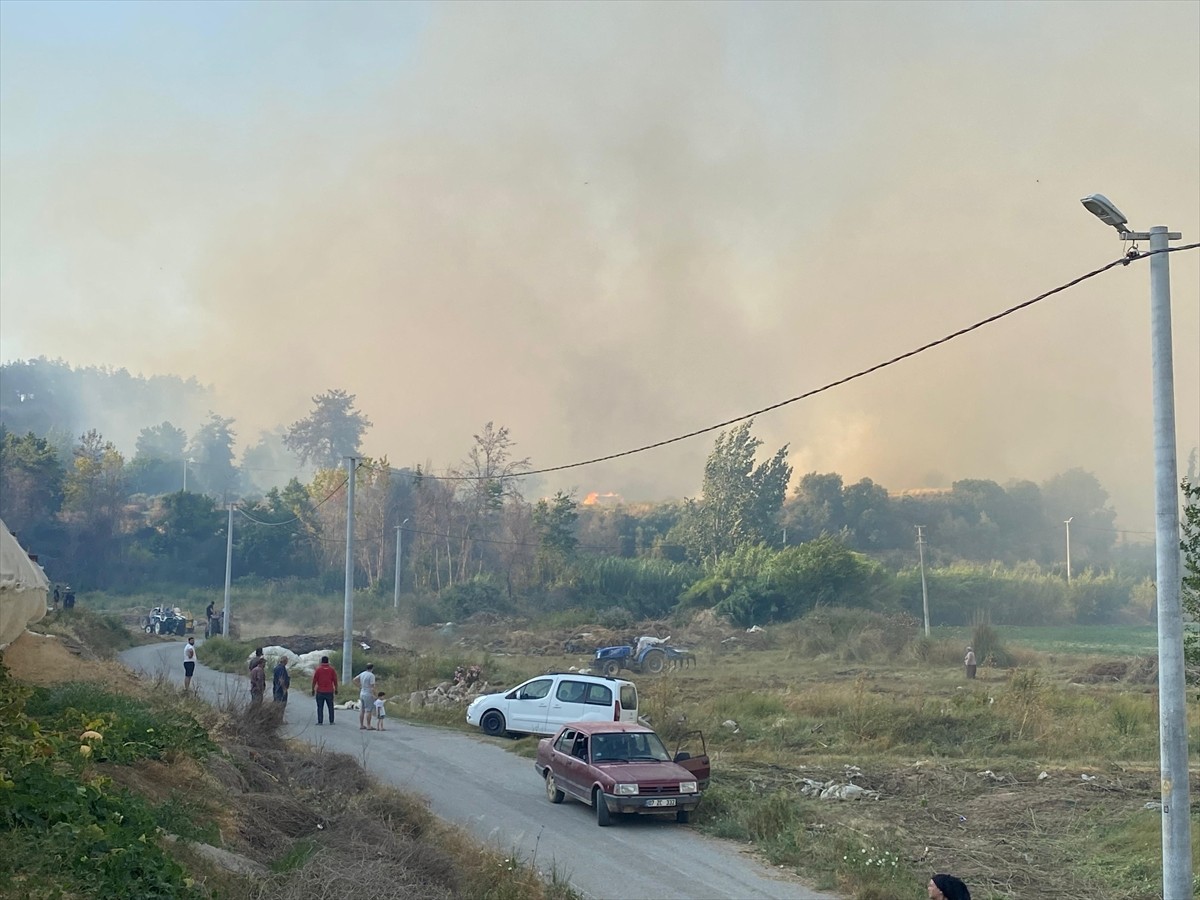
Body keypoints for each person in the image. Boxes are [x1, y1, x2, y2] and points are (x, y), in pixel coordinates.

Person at [312, 655, 338, 725]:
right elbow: (335, 680)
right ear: (328, 661)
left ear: (321, 661)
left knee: (320, 707)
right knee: (330, 707)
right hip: (329, 691)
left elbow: (314, 680)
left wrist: (313, 689)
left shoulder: (318, 670)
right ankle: (331, 721)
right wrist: (336, 689)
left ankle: (320, 721)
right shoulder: (332, 670)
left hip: (320, 691)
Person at [354, 663, 377, 730]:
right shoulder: (371, 675)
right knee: (369, 710)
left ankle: (361, 725)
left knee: (362, 710)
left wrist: (359, 686)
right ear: (372, 668)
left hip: (362, 692)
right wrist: (374, 694)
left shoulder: (363, 673)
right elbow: (372, 686)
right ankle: (368, 725)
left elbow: (355, 679)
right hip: (368, 693)